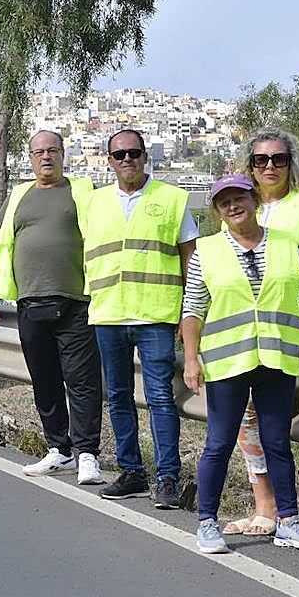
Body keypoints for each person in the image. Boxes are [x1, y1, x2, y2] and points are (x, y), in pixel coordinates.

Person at [181, 174, 299, 553]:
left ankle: (289, 520)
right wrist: (191, 359)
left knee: (277, 442)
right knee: (218, 444)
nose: (233, 206)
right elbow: (192, 310)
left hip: (276, 357)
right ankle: (207, 522)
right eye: (224, 203)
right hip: (227, 360)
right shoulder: (206, 251)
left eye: (240, 198)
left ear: (254, 200)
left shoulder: (287, 246)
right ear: (218, 212)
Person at [221, 128, 299, 536]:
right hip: (241, 335)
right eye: (260, 160)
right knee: (245, 420)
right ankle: (266, 506)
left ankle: (276, 510)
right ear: (249, 166)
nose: (269, 166)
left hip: (288, 332)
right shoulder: (238, 208)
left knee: (265, 418)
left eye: (278, 159)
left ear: (292, 163)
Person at [0, 131, 104, 484]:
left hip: (77, 303)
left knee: (82, 383)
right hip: (30, 303)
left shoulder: (83, 191)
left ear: (63, 155)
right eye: (38, 152)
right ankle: (59, 451)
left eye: (52, 151)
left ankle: (88, 454)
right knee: (44, 381)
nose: (45, 157)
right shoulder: (19, 195)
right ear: (30, 157)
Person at [82, 129, 197, 508]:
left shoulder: (172, 199)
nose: (127, 159)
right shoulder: (94, 203)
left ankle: (167, 478)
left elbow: (190, 261)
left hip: (156, 315)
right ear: (109, 160)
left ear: (146, 156)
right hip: (109, 314)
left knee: (160, 398)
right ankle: (132, 472)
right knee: (117, 397)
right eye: (119, 154)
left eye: (134, 152)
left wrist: (188, 314)